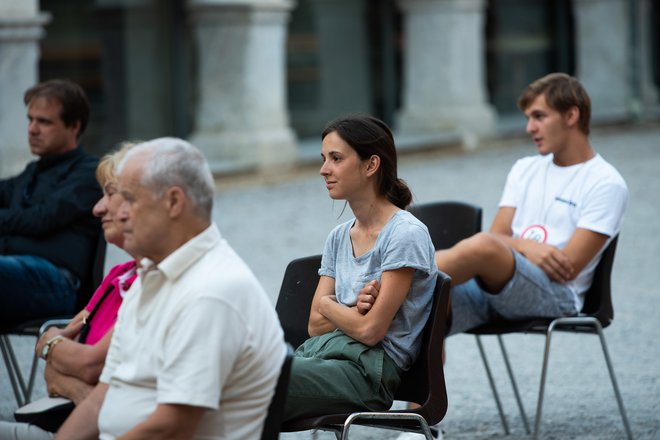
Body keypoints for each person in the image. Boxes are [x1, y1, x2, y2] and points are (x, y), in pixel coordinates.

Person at [55, 137, 286, 440]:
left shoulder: (212, 291)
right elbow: (100, 401)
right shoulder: (151, 276)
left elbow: (170, 428)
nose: (116, 212)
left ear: (174, 202)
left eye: (130, 199)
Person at [439, 73, 628, 336]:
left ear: (571, 116)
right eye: (529, 118)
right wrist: (527, 247)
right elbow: (498, 236)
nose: (529, 127)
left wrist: (510, 247)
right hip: (499, 287)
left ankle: (390, 275)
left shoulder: (606, 183)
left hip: (557, 296)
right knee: (424, 306)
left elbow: (567, 267)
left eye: (539, 116)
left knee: (482, 247)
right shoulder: (524, 168)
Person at [283, 115, 438, 421]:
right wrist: (352, 312)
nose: (323, 169)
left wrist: (330, 304)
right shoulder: (339, 237)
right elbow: (314, 326)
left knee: (256, 379)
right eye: (324, 158)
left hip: (369, 372)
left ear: (371, 165)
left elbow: (370, 331)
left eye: (336, 158)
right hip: (325, 356)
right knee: (236, 370)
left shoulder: (405, 234)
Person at [0, 143, 139, 440]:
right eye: (30, 119)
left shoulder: (152, 285)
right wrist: (59, 355)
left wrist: (55, 348)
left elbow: (86, 365)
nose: (97, 207)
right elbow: (51, 370)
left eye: (109, 194)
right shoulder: (118, 276)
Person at [0, 79, 102, 326]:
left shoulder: (89, 173)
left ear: (74, 126)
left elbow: (40, 219)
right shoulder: (31, 173)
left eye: (44, 121)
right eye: (30, 119)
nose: (32, 129)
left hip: (56, 284)